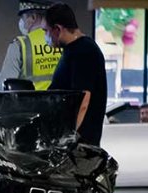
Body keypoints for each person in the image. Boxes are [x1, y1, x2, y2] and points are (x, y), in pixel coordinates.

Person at [44, 3, 107, 147]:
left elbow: (83, 99)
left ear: (57, 29)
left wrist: (68, 137)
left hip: (80, 146)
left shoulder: (84, 51)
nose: (45, 36)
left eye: (46, 30)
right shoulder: (72, 50)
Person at [0, 1, 61, 91]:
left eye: (23, 18)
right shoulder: (62, 40)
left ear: (33, 17)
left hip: (32, 100)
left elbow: (4, 87)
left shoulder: (19, 45)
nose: (22, 22)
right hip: (62, 100)